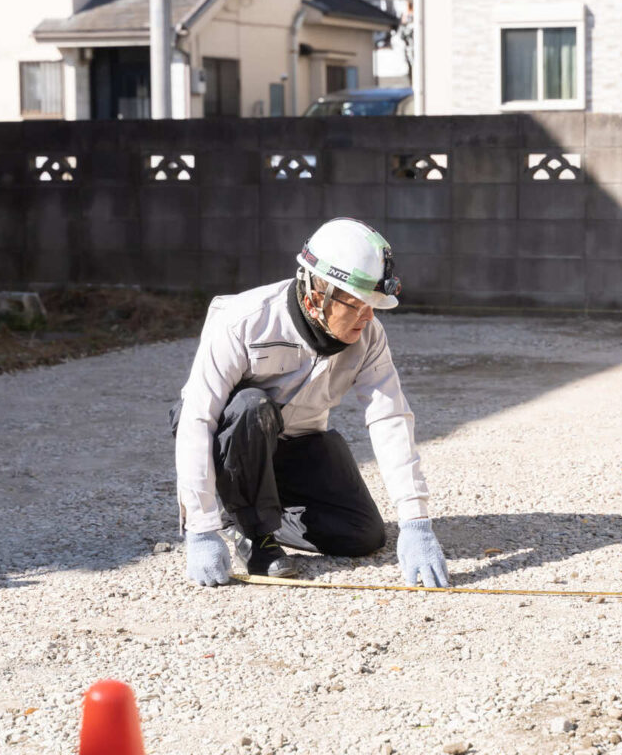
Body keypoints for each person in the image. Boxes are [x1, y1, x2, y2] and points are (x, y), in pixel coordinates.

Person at [171, 217, 449, 589]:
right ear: (317, 293)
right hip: (233, 439)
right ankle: (254, 531)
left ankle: (253, 509)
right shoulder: (244, 321)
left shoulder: (369, 337)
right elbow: (197, 419)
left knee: (362, 536)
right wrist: (200, 531)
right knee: (251, 405)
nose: (368, 317)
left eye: (375, 306)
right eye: (358, 304)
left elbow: (390, 418)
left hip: (297, 442)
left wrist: (415, 522)